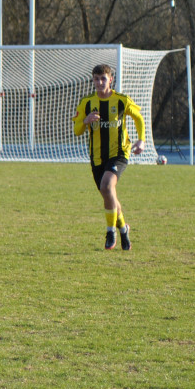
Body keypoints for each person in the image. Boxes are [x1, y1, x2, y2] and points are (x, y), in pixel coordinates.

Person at [72, 63, 145, 250]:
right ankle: (123, 230)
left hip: (119, 153)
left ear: (110, 80)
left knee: (106, 186)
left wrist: (141, 140)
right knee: (108, 194)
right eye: (96, 79)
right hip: (97, 157)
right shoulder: (87, 102)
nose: (99, 82)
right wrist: (86, 121)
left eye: (103, 78)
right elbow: (77, 130)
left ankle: (110, 231)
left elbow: (138, 118)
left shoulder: (121, 100)